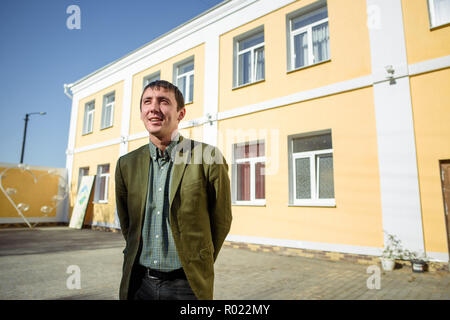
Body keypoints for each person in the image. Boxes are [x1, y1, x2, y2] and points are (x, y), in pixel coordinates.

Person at [115, 80, 232, 300]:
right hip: (139, 282)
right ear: (141, 112)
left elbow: (222, 220)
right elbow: (127, 222)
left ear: (180, 113)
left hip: (186, 284)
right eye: (147, 102)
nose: (154, 108)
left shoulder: (208, 157)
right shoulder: (126, 164)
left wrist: (197, 258)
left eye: (163, 102)